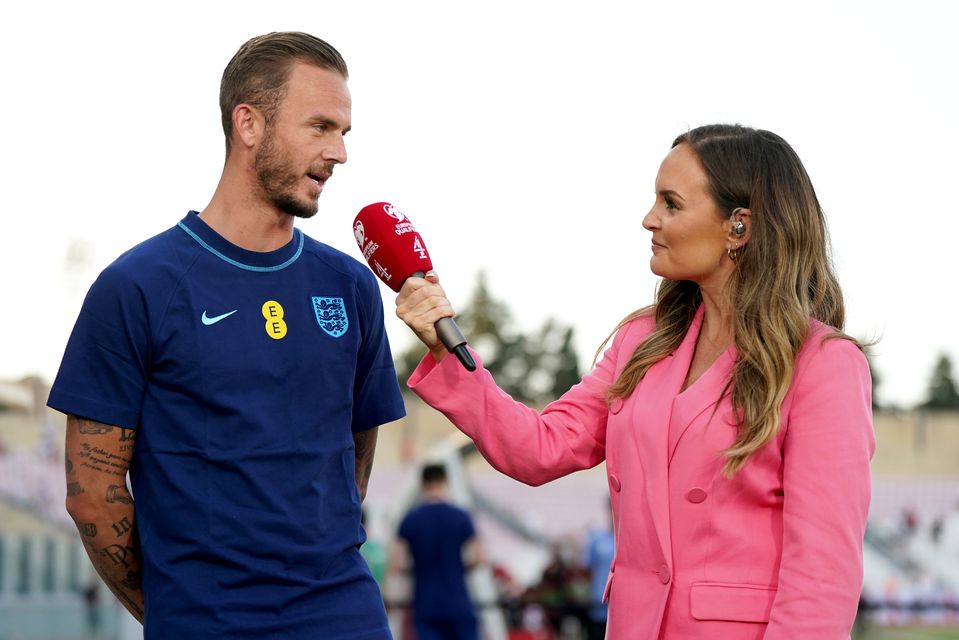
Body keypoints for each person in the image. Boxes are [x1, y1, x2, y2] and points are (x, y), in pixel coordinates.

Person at [395, 124, 875, 639]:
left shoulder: (823, 364)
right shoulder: (640, 342)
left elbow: (821, 579)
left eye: (671, 204)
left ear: (740, 226)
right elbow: (539, 448)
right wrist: (448, 351)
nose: (649, 220)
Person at [49, 32, 406, 638]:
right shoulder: (137, 286)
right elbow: (93, 493)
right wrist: (175, 608)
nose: (339, 152)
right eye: (320, 127)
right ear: (248, 124)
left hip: (346, 617)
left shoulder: (350, 286)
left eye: (344, 132)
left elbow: (355, 457)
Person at [391, 463, 483, 640]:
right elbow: (479, 557)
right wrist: (458, 569)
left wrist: (417, 570)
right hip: (458, 600)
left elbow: (397, 563)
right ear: (445, 481)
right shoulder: (461, 516)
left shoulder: (410, 519)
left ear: (423, 483)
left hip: (425, 601)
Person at [582, 503, 615, 640]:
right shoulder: (597, 539)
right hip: (598, 609)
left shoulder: (635, 538)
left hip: (627, 611)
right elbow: (586, 571)